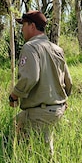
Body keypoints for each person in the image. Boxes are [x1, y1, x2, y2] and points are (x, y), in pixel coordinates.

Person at [8, 10, 72, 153]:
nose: (22, 29)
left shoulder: (30, 47)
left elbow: (30, 77)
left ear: (32, 26)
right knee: (17, 130)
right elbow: (68, 82)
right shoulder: (57, 49)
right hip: (57, 109)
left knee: (35, 152)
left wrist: (14, 95)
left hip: (40, 112)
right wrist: (62, 100)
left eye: (23, 25)